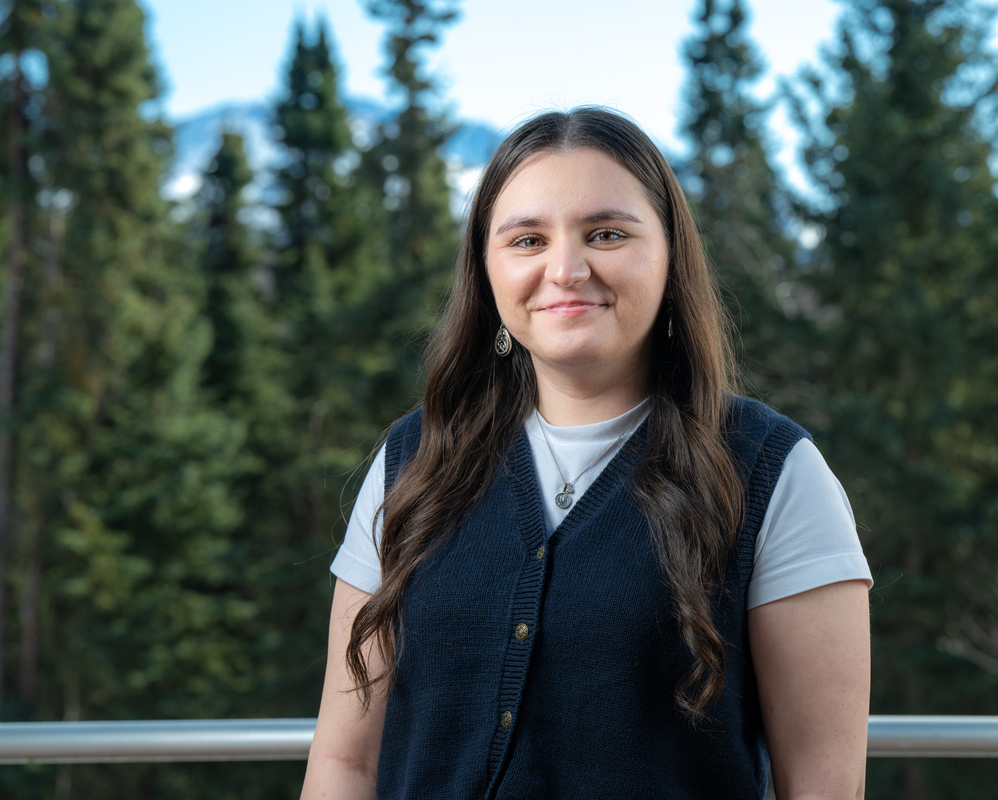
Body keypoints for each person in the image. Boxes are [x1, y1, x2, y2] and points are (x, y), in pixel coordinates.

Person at [300, 107, 872, 800]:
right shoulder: (413, 461)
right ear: (486, 271)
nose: (565, 269)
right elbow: (345, 764)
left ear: (670, 259)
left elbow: (823, 786)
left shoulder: (771, 471)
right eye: (527, 240)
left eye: (606, 233)